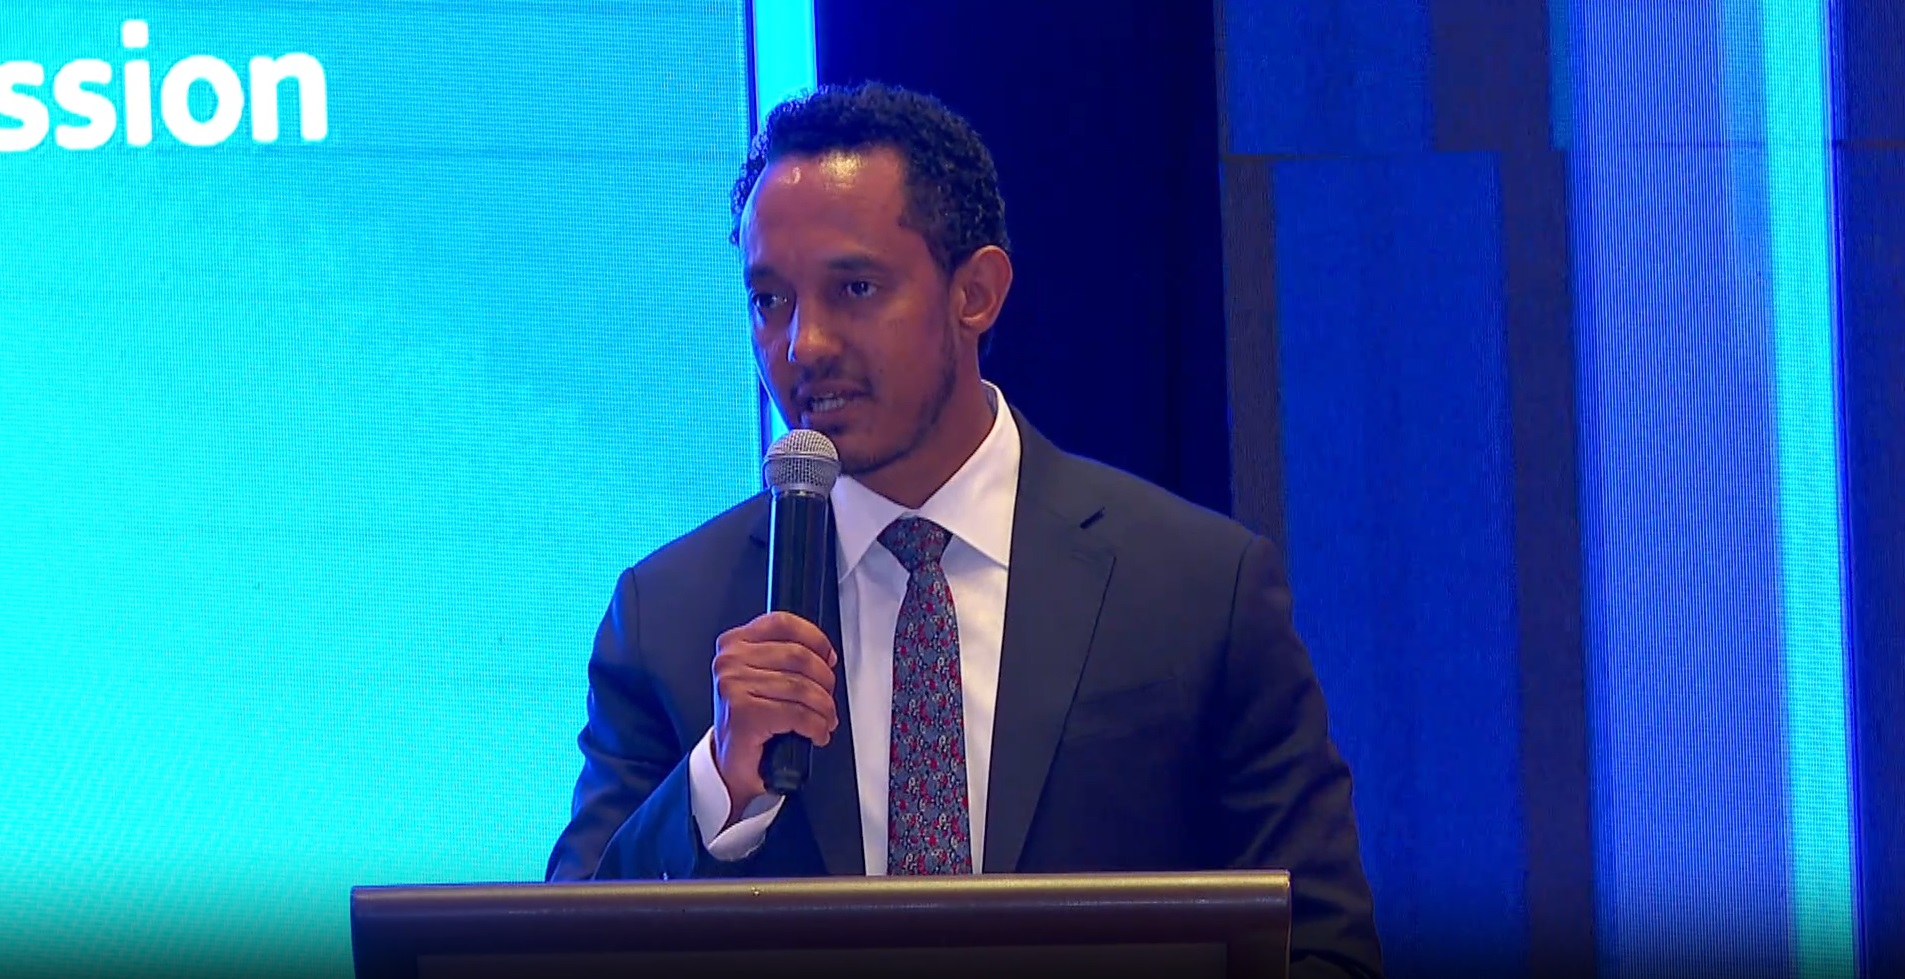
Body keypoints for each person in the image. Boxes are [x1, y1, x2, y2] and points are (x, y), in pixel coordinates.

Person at [546, 82, 1382, 979]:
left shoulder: (1195, 587)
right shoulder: (669, 615)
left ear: (975, 293)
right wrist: (718, 779)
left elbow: (1321, 949)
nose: (802, 345)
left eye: (854, 288)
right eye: (769, 300)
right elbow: (562, 950)